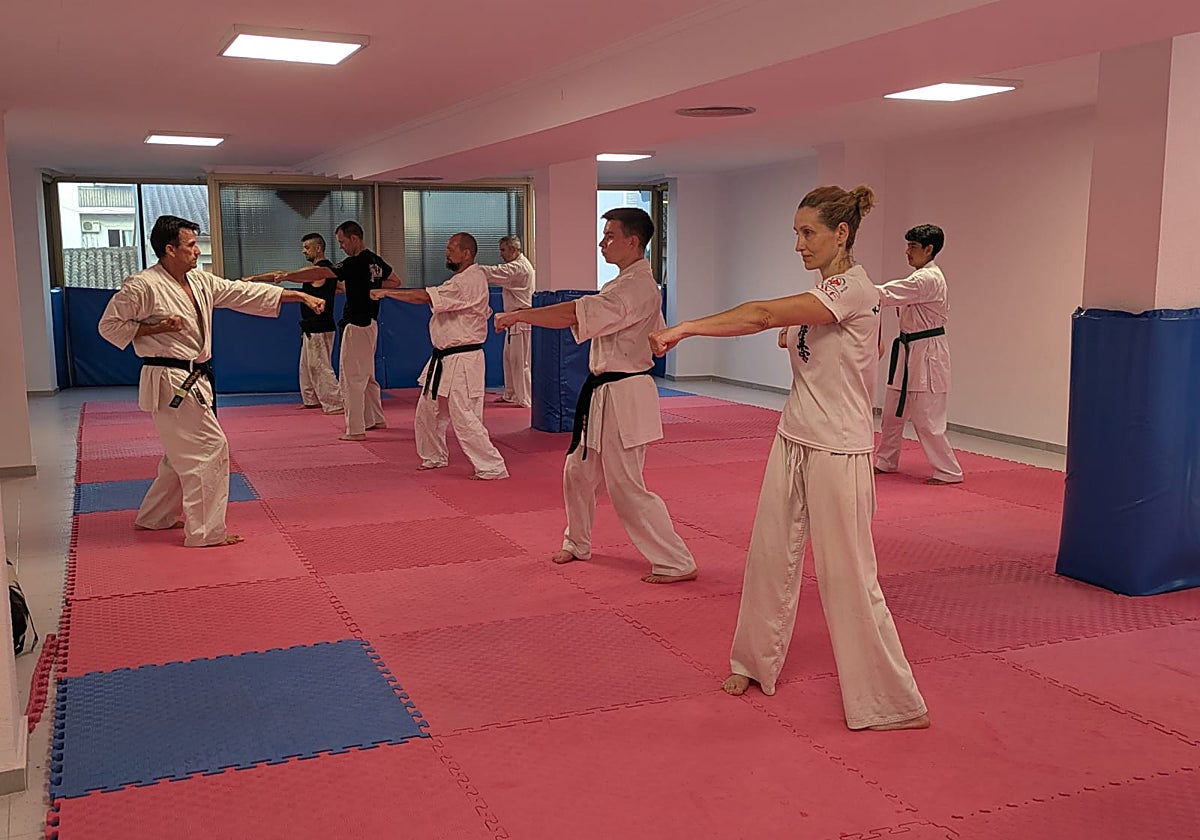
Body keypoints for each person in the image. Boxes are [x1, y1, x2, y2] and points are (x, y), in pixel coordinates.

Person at [648, 186, 929, 730]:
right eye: (796, 233)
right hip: (794, 436)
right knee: (770, 554)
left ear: (840, 234)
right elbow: (841, 347)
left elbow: (757, 314)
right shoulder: (827, 292)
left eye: (809, 233)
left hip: (838, 448)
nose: (798, 244)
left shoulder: (854, 288)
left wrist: (686, 326)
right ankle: (754, 661)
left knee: (850, 575)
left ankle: (890, 700)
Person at [97, 215, 327, 547]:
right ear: (170, 249)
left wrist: (300, 297)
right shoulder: (142, 285)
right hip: (169, 377)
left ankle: (155, 516)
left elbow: (243, 292)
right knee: (208, 449)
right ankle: (204, 532)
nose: (196, 251)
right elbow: (109, 327)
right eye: (190, 245)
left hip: (194, 376)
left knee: (181, 452)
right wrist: (157, 327)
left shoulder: (201, 282)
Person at [494, 208, 697, 584]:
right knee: (578, 471)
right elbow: (660, 341)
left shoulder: (635, 287)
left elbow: (573, 315)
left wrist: (521, 315)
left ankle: (675, 560)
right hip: (605, 392)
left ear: (632, 241)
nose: (602, 242)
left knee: (626, 485)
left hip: (625, 394)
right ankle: (578, 541)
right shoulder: (625, 284)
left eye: (609, 236)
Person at [371, 233, 509, 480]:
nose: (447, 253)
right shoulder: (462, 280)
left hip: (463, 360)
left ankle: (492, 466)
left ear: (466, 253)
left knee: (465, 416)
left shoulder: (469, 280)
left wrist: (387, 292)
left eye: (451, 248)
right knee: (428, 411)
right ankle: (434, 456)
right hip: (444, 359)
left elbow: (422, 296)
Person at [276, 221, 400, 441]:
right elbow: (395, 280)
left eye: (342, 241)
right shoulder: (375, 261)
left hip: (356, 324)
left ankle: (355, 429)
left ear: (354, 238)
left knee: (350, 377)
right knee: (368, 375)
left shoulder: (355, 262)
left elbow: (322, 271)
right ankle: (375, 418)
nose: (341, 246)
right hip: (371, 324)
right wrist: (377, 291)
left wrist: (288, 276)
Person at [874, 224, 963, 485]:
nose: (907, 252)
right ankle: (886, 460)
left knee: (927, 417)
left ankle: (949, 471)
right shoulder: (919, 278)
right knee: (892, 412)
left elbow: (887, 293)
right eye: (908, 246)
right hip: (906, 349)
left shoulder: (928, 279)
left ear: (929, 249)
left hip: (927, 353)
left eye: (912, 247)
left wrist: (854, 288)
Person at [480, 235, 535, 407]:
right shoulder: (516, 266)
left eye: (503, 250)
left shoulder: (520, 268)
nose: (501, 254)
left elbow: (496, 272)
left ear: (514, 249)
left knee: (521, 362)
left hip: (523, 319)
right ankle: (511, 394)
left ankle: (525, 398)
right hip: (512, 320)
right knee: (509, 359)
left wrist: (474, 270)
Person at [292, 233, 342, 414]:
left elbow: (295, 277)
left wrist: (279, 277)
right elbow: (340, 288)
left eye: (307, 247)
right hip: (311, 325)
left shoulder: (322, 269)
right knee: (306, 365)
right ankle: (311, 399)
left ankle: (335, 402)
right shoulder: (327, 272)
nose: (303, 251)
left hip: (320, 325)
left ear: (318, 248)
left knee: (320, 365)